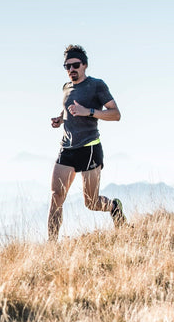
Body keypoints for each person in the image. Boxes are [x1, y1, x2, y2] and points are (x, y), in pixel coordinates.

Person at [48, 44, 126, 241]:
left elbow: (115, 114)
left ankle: (114, 207)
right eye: (67, 66)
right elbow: (68, 108)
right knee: (57, 196)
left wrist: (88, 112)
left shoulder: (96, 85)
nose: (71, 70)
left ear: (85, 65)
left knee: (91, 202)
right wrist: (60, 119)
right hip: (67, 148)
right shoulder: (66, 87)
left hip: (89, 148)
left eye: (75, 65)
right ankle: (51, 246)